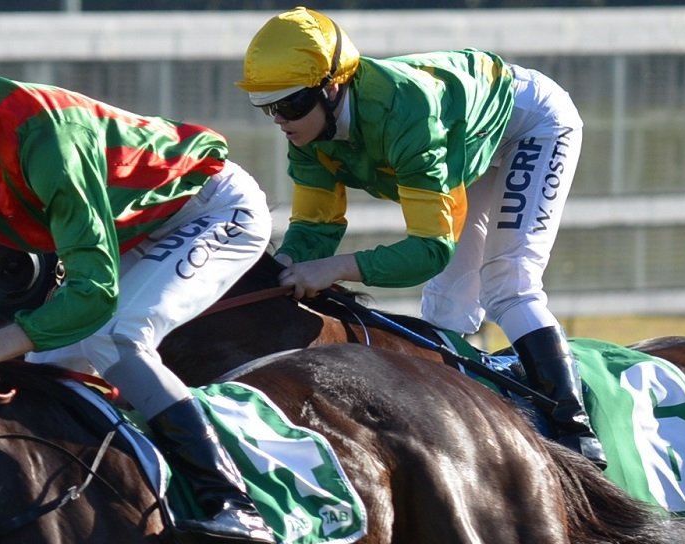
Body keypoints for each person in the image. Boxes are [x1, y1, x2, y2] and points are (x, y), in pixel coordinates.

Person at [0, 17, 278, 544]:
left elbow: (93, 296)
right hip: (125, 232)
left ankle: (232, 502)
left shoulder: (46, 134)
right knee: (46, 371)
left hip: (210, 209)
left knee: (119, 335)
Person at [238, 7, 604, 465]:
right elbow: (315, 228)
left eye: (290, 104)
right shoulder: (309, 137)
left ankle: (577, 436)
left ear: (331, 88)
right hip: (464, 145)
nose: (279, 119)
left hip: (530, 124)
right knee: (445, 308)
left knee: (507, 284)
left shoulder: (409, 111)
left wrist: (335, 268)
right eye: (268, 106)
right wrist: (283, 273)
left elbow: (431, 248)